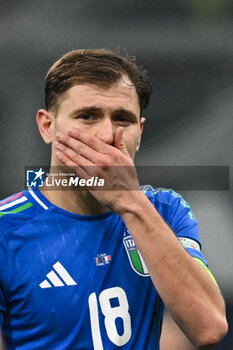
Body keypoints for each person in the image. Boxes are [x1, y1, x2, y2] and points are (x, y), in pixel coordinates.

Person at [0, 49, 228, 350]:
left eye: (123, 119)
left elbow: (209, 327)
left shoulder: (165, 210)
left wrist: (130, 202)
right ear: (47, 127)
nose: (107, 135)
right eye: (88, 116)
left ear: (140, 131)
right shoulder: (7, 229)